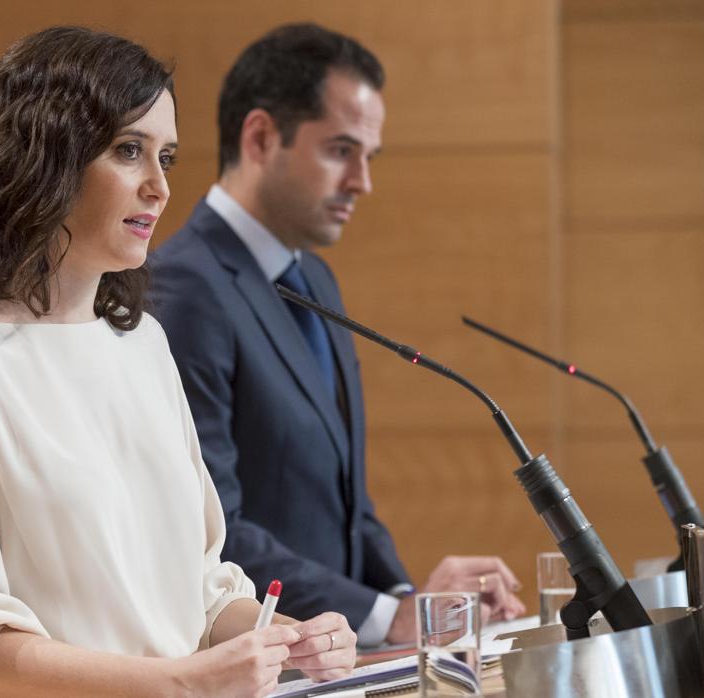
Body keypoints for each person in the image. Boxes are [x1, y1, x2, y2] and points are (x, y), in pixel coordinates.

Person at [0, 27, 356, 698]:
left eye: (167, 156)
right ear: (44, 156)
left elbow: (202, 590)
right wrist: (176, 683)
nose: (160, 187)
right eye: (130, 151)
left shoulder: (144, 343)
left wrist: (282, 636)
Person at [148, 23, 527, 648]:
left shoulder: (312, 278)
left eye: (368, 157)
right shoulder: (184, 288)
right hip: (259, 662)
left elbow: (350, 504)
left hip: (340, 663)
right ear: (262, 136)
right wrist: (383, 618)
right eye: (341, 151)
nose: (362, 181)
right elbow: (216, 530)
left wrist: (408, 604)